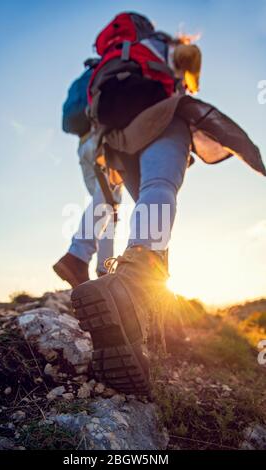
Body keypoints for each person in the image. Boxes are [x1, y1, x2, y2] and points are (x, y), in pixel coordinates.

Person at [71, 12, 266, 395]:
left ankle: (135, 329)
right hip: (160, 117)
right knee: (159, 191)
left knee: (147, 207)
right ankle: (135, 281)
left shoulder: (113, 57)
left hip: (115, 140)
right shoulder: (173, 46)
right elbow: (189, 83)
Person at [53, 68, 122, 288]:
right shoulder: (112, 69)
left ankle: (103, 268)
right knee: (109, 199)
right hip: (101, 139)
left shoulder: (83, 81)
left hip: (84, 145)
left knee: (106, 205)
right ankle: (78, 255)